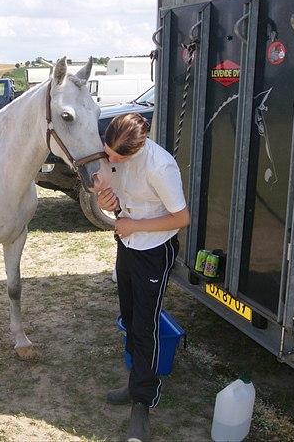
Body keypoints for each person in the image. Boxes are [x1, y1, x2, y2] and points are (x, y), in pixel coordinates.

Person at [97, 113, 190, 442]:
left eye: (117, 156)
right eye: (108, 151)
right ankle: (135, 381)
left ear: (136, 149)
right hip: (128, 244)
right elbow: (109, 191)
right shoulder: (112, 152)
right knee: (129, 316)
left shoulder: (159, 167)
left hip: (154, 250)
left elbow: (182, 217)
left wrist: (134, 225)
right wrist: (104, 199)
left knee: (145, 325)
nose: (110, 159)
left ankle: (143, 401)